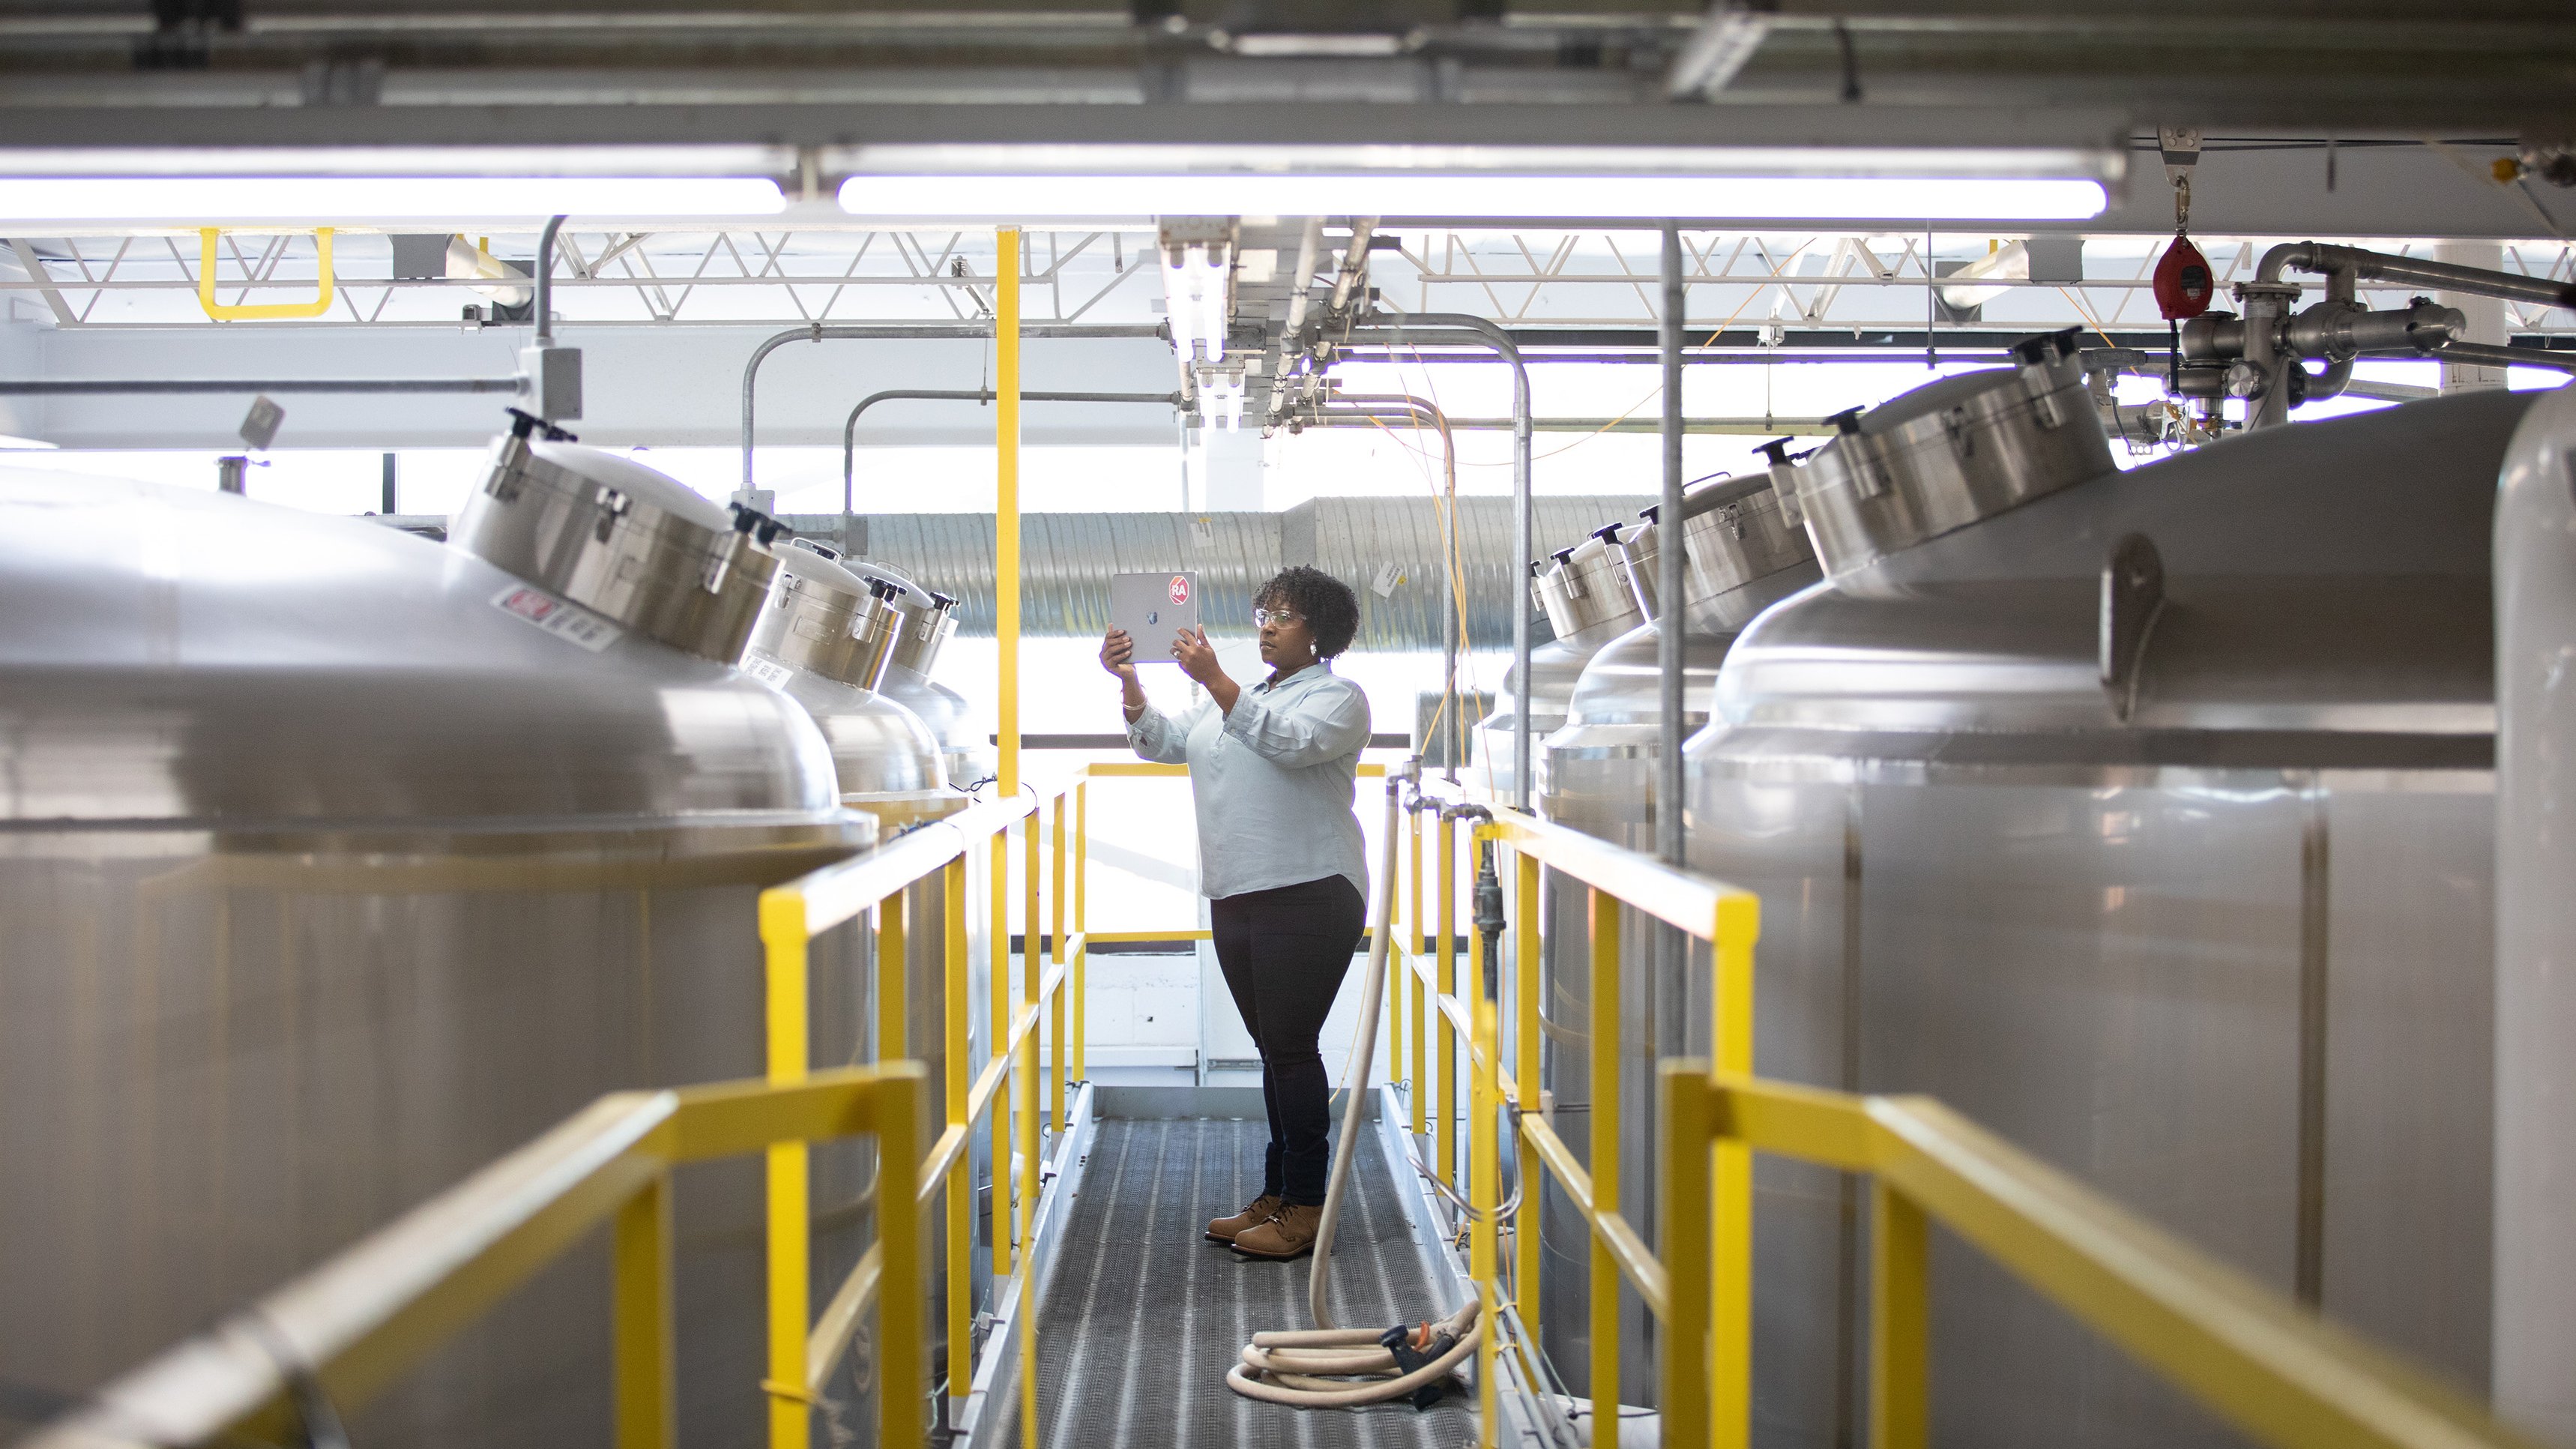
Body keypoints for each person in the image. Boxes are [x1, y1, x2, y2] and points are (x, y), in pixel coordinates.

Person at [1100, 565, 1371, 1261]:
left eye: (1286, 616)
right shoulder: (1244, 693)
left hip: (1309, 890)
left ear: (1321, 633)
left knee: (1289, 1048)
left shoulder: (1339, 698)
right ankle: (1278, 1194)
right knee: (1275, 1053)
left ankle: (1307, 1204)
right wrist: (1130, 683)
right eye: (1265, 614)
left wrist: (1217, 681)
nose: (1270, 626)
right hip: (1238, 892)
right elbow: (1159, 741)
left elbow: (1287, 743)